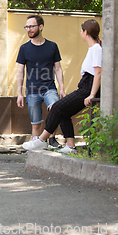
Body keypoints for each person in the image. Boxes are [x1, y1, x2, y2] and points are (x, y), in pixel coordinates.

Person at [22, 19, 102, 154]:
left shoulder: (96, 49)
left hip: (87, 88)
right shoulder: (93, 49)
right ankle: (71, 146)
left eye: (82, 30)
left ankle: (42, 140)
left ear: (86, 32)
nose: (80, 33)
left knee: (57, 107)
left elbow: (98, 73)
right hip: (85, 86)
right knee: (63, 111)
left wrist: (92, 94)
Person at [16, 15, 66, 148]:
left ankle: (51, 138)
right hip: (32, 90)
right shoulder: (24, 48)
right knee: (36, 123)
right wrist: (19, 93)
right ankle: (35, 148)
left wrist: (62, 88)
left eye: (31, 26)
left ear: (41, 27)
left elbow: (58, 69)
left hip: (49, 88)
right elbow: (20, 72)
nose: (29, 29)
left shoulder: (52, 46)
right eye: (27, 27)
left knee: (56, 109)